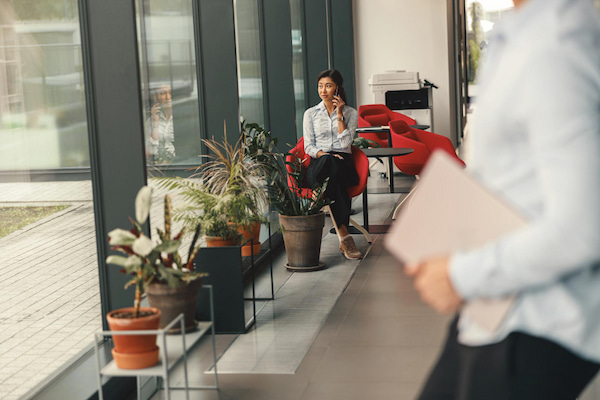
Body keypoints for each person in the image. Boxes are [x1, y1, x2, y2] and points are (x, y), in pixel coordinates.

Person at [407, 0, 600, 398]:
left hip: (537, 323)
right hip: (493, 309)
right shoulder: (520, 37)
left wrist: (460, 275)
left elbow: (584, 228)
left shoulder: (554, 47)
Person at [303, 69, 362, 260]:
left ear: (337, 88)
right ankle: (345, 238)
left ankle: (317, 200)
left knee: (332, 177)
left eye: (328, 86)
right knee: (331, 171)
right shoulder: (310, 114)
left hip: (343, 165)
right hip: (320, 163)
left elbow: (345, 144)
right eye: (320, 86)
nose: (323, 90)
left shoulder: (351, 113)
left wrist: (338, 115)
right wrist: (325, 155)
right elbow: (308, 147)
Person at [146, 84, 175, 164]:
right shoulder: (151, 121)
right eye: (163, 93)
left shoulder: (182, 118)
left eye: (170, 93)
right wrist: (155, 122)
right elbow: (151, 151)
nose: (168, 97)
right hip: (159, 168)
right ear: (157, 97)